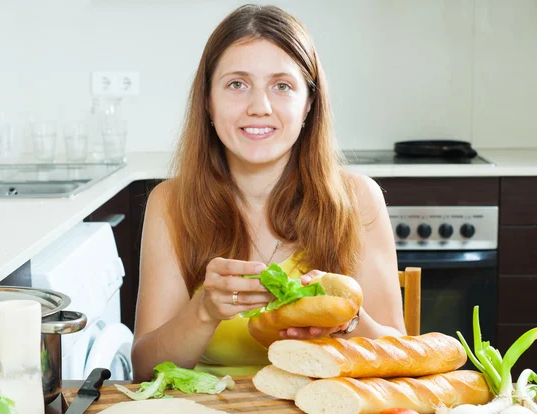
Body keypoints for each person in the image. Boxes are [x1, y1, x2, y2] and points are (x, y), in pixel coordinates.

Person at [131, 4, 405, 382]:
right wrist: (204, 311)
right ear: (208, 101)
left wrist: (347, 320)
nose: (259, 107)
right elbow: (145, 370)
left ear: (309, 103)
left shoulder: (358, 199)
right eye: (237, 84)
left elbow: (398, 355)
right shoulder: (170, 204)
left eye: (282, 86)